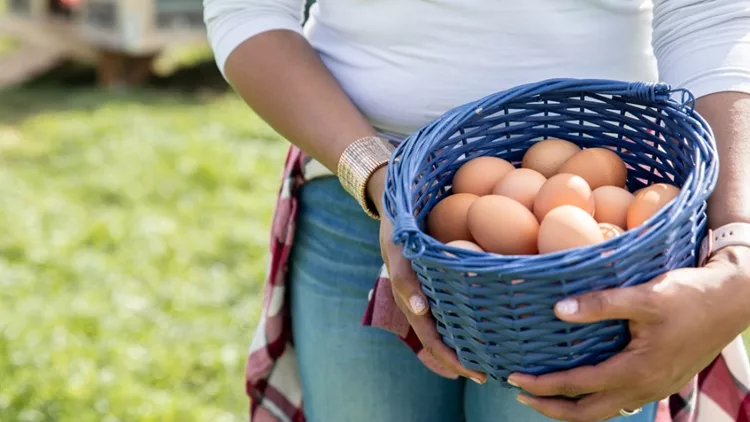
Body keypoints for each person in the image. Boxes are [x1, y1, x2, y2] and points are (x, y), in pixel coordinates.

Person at [202, 0, 750, 421]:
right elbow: (248, 9)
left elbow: (711, 15)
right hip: (355, 201)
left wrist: (736, 247)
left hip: (608, 244)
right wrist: (380, 177)